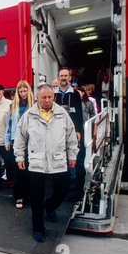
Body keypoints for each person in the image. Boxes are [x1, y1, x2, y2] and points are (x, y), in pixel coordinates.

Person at [14, 84, 79, 242]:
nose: (47, 100)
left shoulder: (62, 114)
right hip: (37, 162)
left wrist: (73, 155)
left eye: (50, 97)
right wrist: (20, 158)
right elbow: (20, 138)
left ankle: (49, 207)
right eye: (44, 97)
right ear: (37, 97)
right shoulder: (29, 115)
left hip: (58, 160)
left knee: (62, 190)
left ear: (53, 97)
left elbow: (71, 136)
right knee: (36, 197)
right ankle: (38, 228)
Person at [54, 67, 85, 200]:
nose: (64, 78)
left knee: (72, 157)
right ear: (58, 77)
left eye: (66, 76)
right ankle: (60, 184)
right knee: (59, 157)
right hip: (56, 130)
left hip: (71, 130)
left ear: (69, 78)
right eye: (61, 76)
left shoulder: (75, 94)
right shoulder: (53, 93)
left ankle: (72, 186)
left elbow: (78, 113)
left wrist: (78, 130)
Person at [5, 80, 35, 209]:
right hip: (16, 141)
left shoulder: (34, 105)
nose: (23, 94)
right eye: (20, 91)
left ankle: (30, 194)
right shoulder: (13, 106)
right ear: (17, 92)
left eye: (25, 91)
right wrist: (7, 141)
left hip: (32, 141)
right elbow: (9, 125)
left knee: (31, 169)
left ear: (29, 91)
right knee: (19, 169)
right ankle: (19, 196)